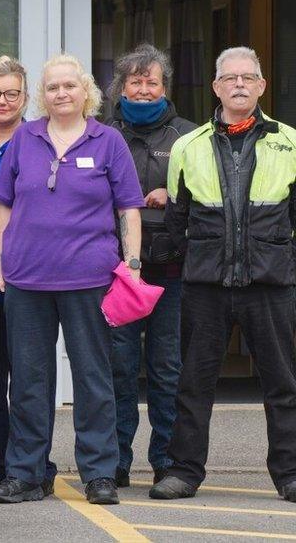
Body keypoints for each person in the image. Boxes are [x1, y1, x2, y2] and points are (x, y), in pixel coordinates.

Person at [0, 53, 143, 506]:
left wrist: (131, 263)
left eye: (70, 86)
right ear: (43, 95)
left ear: (85, 91)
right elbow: (5, 206)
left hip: (89, 278)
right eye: (53, 87)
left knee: (94, 378)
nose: (61, 93)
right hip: (26, 278)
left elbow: (129, 207)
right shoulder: (24, 140)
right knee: (30, 381)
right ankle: (27, 474)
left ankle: (99, 474)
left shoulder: (108, 141)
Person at [151, 47, 296, 503]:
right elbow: (178, 217)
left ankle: (290, 474)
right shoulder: (186, 146)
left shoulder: (289, 142)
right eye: (229, 77)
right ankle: (184, 471)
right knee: (193, 382)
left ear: (260, 86)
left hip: (269, 284)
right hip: (206, 284)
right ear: (215, 87)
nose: (238, 84)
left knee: (284, 384)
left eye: (247, 77)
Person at [106, 44, 196, 488]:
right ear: (121, 87)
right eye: (134, 82)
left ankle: (165, 461)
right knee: (118, 370)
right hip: (117, 276)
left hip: (171, 274)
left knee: (166, 371)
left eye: (151, 82)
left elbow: (208, 201)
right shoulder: (101, 133)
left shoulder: (188, 137)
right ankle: (117, 462)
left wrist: (172, 196)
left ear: (166, 87)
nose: (143, 90)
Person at [0, 55, 57, 497]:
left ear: (26, 99)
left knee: (28, 374)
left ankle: (34, 462)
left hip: (25, 270)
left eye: (12, 94)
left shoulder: (39, 141)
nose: (2, 101)